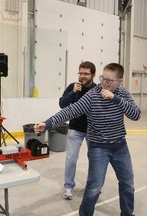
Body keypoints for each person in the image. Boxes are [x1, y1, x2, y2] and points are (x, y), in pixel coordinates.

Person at [34, 63, 141, 216]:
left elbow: (136, 115)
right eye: (103, 78)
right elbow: (70, 110)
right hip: (98, 147)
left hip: (120, 146)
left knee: (128, 184)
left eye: (109, 80)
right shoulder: (92, 95)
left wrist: (115, 99)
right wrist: (47, 123)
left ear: (120, 81)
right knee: (94, 187)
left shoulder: (123, 94)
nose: (104, 83)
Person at [59, 61, 96, 200]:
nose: (83, 76)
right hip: (75, 129)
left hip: (92, 129)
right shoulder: (72, 87)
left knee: (94, 159)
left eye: (86, 73)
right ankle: (68, 186)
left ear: (93, 75)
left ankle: (93, 186)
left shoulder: (97, 90)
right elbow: (62, 104)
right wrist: (73, 92)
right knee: (71, 158)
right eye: (81, 73)